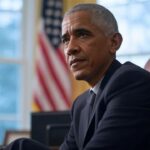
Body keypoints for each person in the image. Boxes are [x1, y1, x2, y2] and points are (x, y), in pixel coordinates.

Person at [1, 3, 150, 150]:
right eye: (65, 39)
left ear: (114, 42)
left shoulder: (132, 82)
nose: (70, 48)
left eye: (82, 35)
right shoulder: (81, 104)